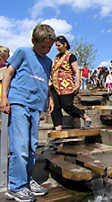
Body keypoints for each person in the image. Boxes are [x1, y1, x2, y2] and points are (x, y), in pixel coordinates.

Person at [0, 24, 56, 202]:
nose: (45, 50)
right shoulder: (23, 52)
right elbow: (8, 74)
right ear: (34, 41)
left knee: (32, 146)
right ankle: (16, 186)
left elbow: (46, 82)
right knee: (20, 146)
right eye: (42, 47)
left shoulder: (48, 61)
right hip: (19, 102)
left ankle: (27, 180)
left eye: (49, 47)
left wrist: (49, 100)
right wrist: (4, 98)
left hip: (35, 107)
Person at [50, 35, 92, 131]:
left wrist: (78, 84)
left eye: (59, 45)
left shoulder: (71, 56)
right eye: (56, 46)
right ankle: (58, 128)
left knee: (67, 106)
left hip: (66, 85)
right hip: (54, 85)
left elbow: (76, 70)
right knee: (54, 107)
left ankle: (85, 117)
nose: (57, 48)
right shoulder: (56, 57)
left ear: (65, 44)